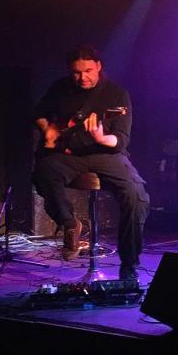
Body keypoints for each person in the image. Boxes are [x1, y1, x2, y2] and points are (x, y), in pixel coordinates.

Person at [32, 44, 150, 282]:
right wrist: (48, 129)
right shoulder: (60, 88)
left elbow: (121, 139)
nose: (82, 77)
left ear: (98, 66)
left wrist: (101, 137)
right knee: (44, 173)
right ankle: (69, 223)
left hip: (105, 154)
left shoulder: (116, 94)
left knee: (136, 196)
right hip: (68, 154)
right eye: (76, 72)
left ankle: (129, 264)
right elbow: (39, 113)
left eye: (88, 71)